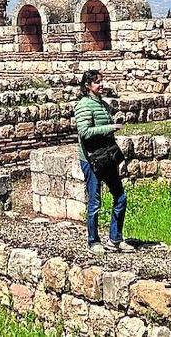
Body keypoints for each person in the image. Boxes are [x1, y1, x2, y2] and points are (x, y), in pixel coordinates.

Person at [74, 69, 133, 255]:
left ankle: (115, 239)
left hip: (106, 156)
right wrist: (110, 127)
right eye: (97, 82)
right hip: (92, 159)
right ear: (88, 85)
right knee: (94, 202)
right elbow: (84, 132)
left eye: (102, 81)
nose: (101, 85)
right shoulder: (84, 105)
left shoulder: (103, 105)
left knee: (120, 196)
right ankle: (93, 241)